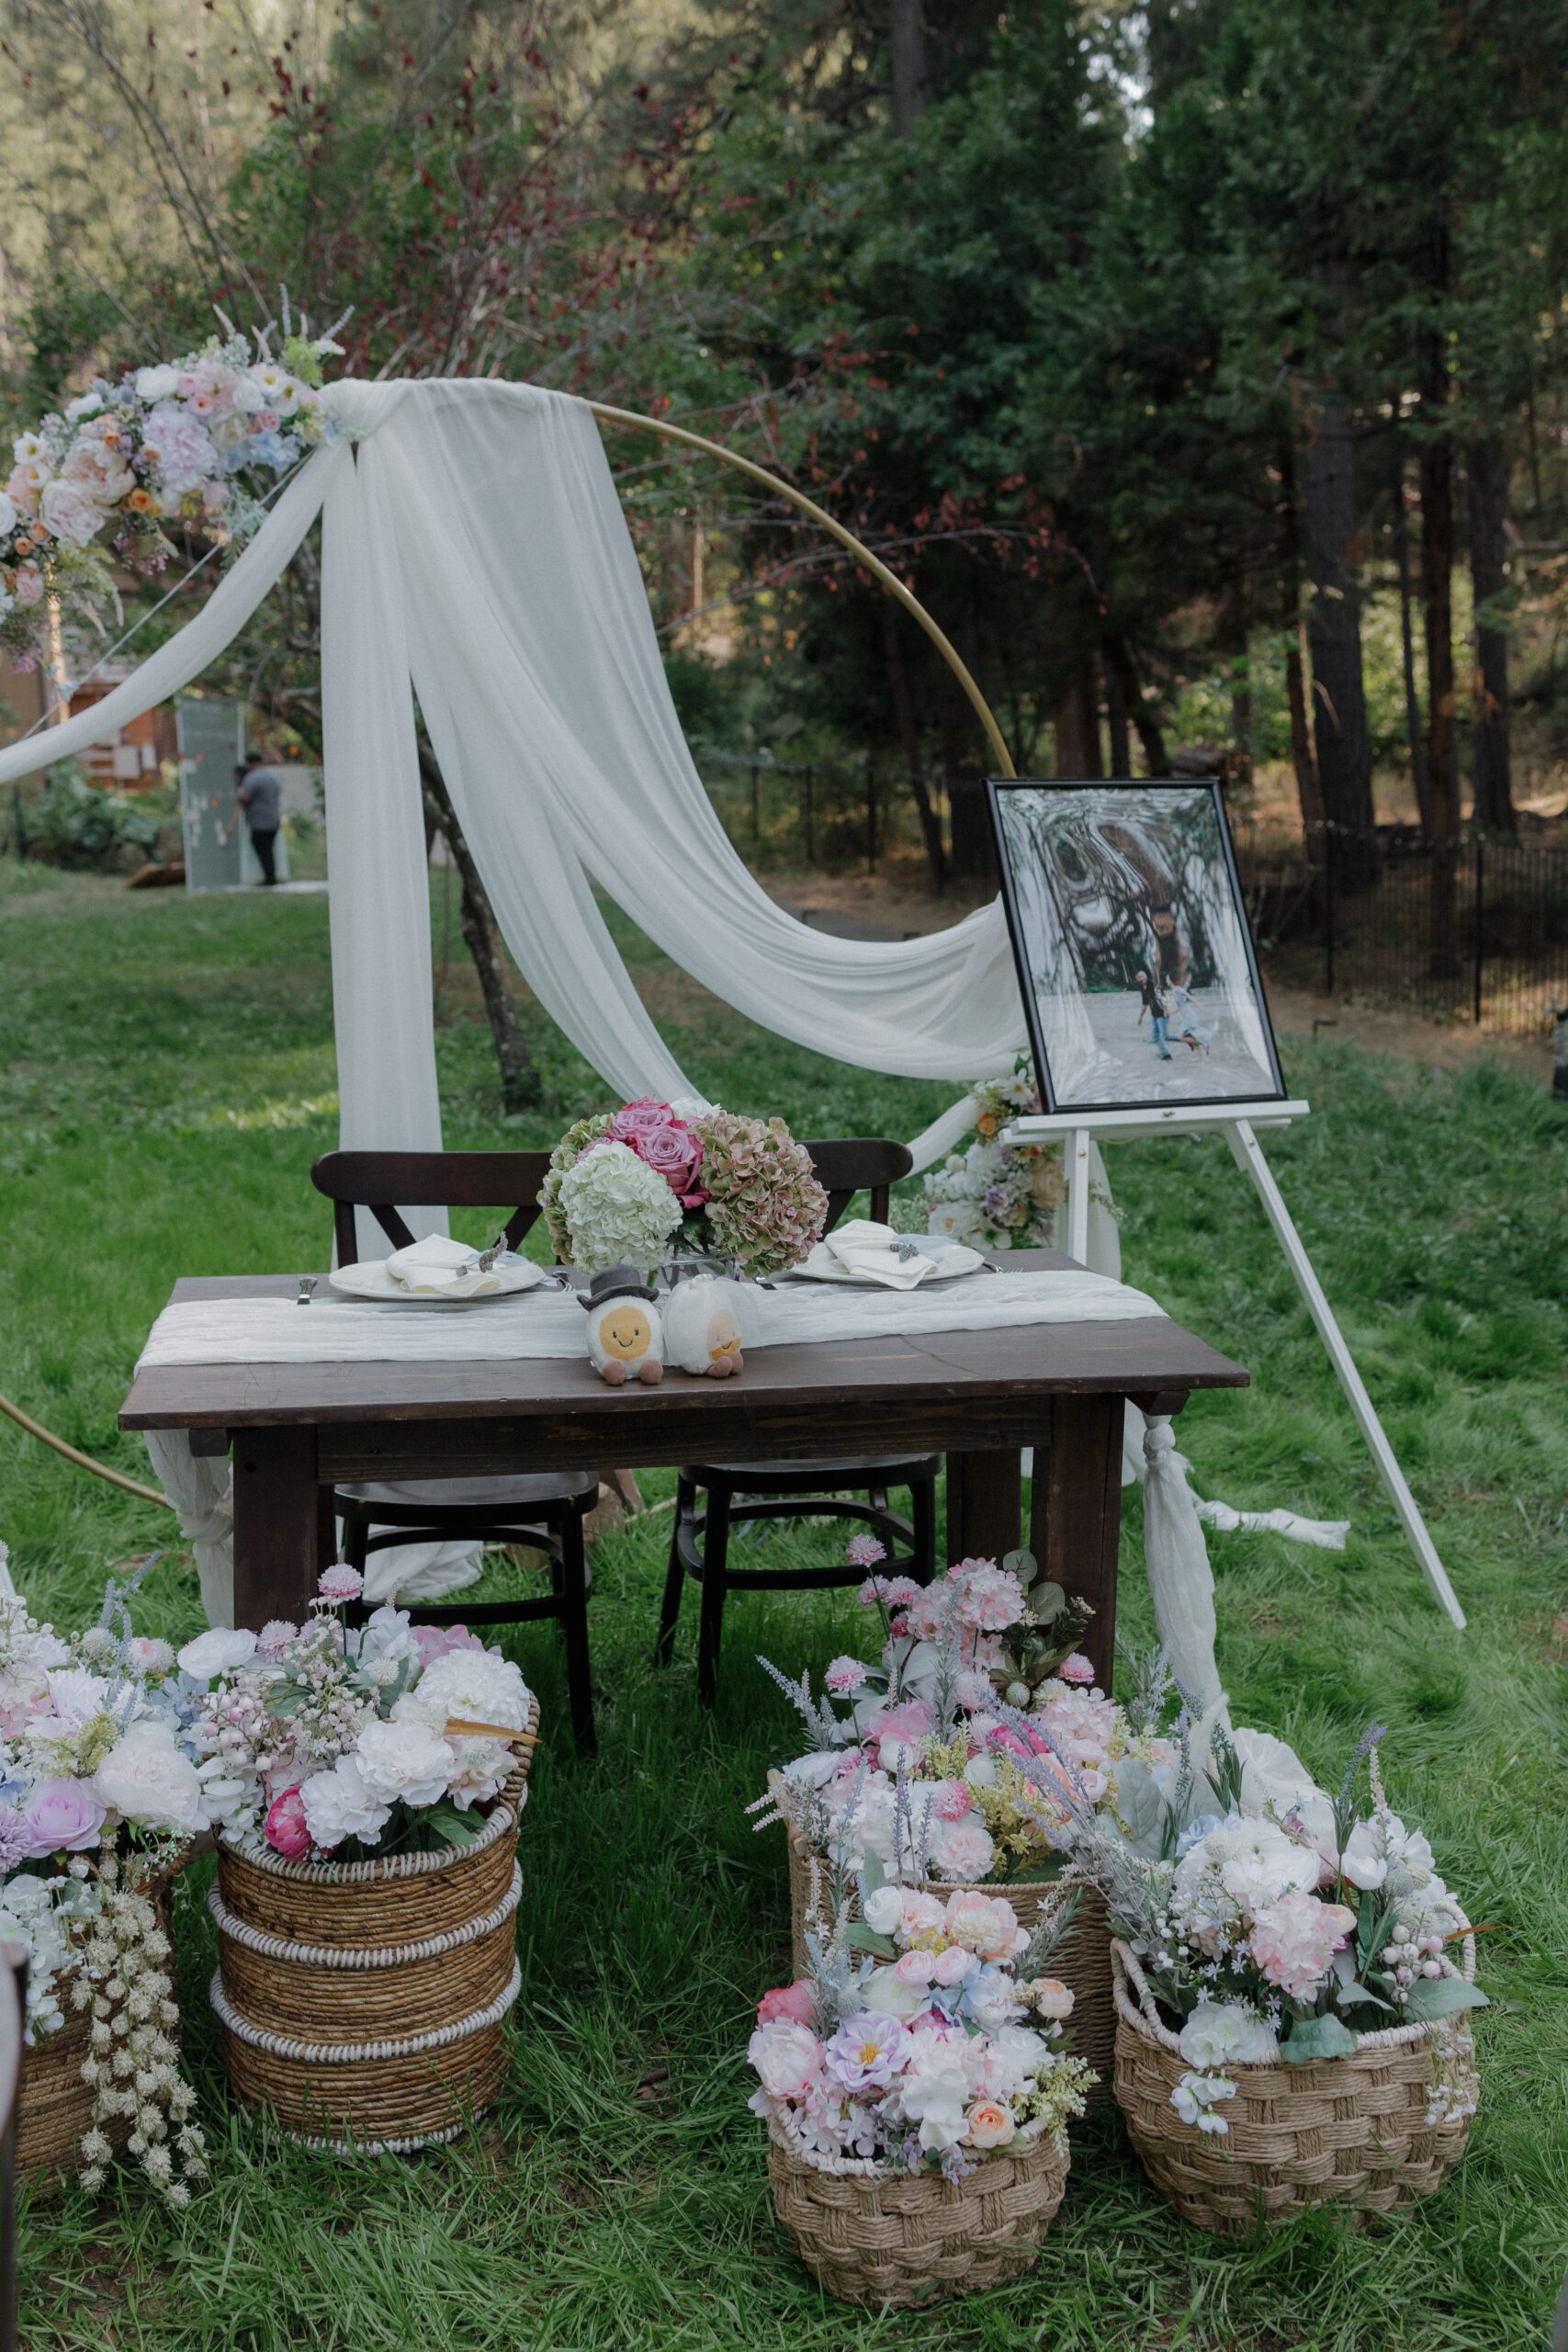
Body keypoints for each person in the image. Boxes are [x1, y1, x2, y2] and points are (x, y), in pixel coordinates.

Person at [231, 752, 282, 885]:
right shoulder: (270, 777)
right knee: (268, 850)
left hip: (261, 822)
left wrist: (238, 794)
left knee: (262, 849)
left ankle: (270, 879)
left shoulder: (252, 778)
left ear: (249, 763)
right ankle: (270, 877)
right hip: (273, 819)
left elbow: (245, 797)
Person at [1134, 968, 1174, 1059]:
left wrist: (1166, 1010)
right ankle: (1166, 1054)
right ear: (1137, 979)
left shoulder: (1153, 984)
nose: (1142, 978)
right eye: (1139, 977)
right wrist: (1140, 1017)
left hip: (1162, 1013)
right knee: (1155, 1036)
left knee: (1166, 1036)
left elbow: (1162, 996)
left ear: (1146, 976)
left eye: (1143, 976)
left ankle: (1186, 1039)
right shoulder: (1142, 988)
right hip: (1155, 1014)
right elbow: (1144, 1003)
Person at [1166, 979, 1211, 1054]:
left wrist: (1201, 1006)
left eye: (1167, 979)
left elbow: (1189, 996)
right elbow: (1179, 1007)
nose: (1166, 981)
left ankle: (1202, 1042)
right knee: (1188, 1036)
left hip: (1189, 1016)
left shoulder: (1178, 989)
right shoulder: (1174, 991)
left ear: (1171, 981)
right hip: (1186, 1017)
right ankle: (1202, 1054)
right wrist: (1171, 1013)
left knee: (1182, 1036)